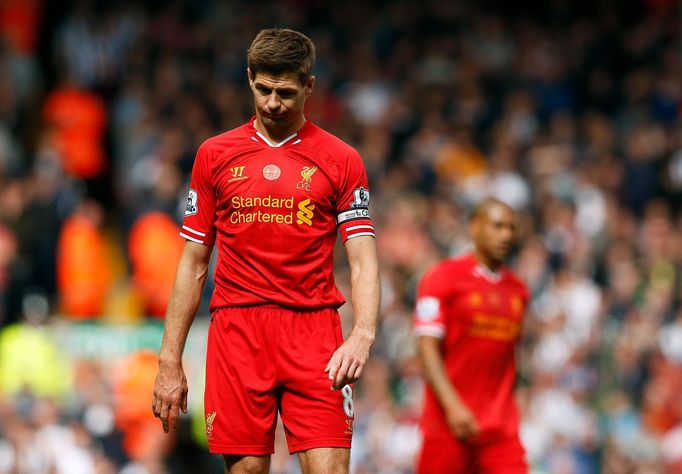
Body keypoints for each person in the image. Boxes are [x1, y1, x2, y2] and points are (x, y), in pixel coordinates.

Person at [151, 28, 380, 474]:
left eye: (287, 93)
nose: (273, 102)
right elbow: (193, 263)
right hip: (238, 330)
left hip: (314, 334)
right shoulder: (214, 155)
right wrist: (169, 361)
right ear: (249, 77)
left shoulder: (341, 159)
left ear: (309, 86)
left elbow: (363, 256)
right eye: (263, 89)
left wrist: (363, 333)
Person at [413, 198, 528, 473]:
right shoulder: (443, 277)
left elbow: (505, 355)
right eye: (497, 226)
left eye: (511, 228)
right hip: (448, 422)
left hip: (500, 426)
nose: (506, 235)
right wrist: (453, 406)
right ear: (474, 228)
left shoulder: (519, 290)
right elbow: (426, 348)